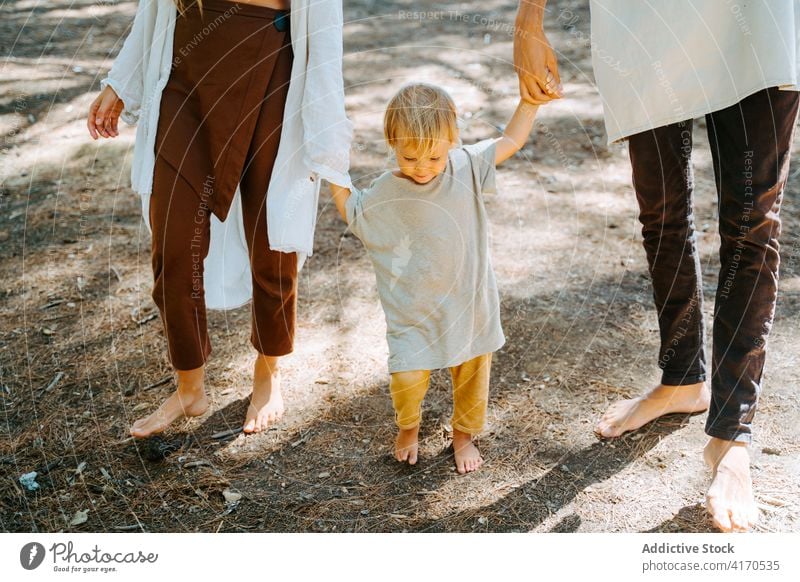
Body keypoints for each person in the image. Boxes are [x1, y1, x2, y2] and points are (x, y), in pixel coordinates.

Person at [86, 0, 353, 437]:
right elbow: (153, 11)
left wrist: (328, 141)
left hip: (272, 66)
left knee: (272, 241)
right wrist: (120, 84)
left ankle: (269, 372)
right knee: (174, 241)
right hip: (188, 70)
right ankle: (189, 386)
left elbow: (324, 31)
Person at [586, 1, 800, 532]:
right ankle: (682, 379)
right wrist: (529, 17)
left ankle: (731, 433)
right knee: (661, 214)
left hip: (758, 16)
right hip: (642, 19)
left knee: (752, 225)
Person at [328, 80, 551, 473]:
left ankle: (463, 436)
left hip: (468, 302)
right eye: (409, 157)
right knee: (407, 379)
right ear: (392, 143)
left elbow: (511, 141)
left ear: (452, 140)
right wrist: (331, 170)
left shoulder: (464, 166)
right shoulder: (388, 189)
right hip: (414, 310)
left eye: (433, 157)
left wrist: (529, 103)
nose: (422, 168)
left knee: (471, 380)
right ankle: (408, 428)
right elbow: (356, 212)